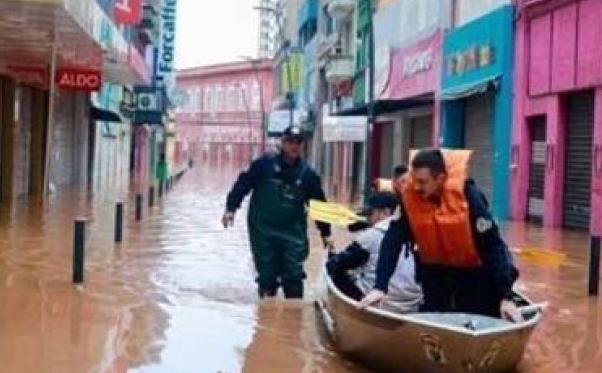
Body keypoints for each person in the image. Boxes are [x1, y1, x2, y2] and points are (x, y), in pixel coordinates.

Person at [359, 149, 523, 321]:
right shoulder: (410, 199)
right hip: (435, 274)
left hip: (475, 273)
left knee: (478, 314)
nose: (417, 187)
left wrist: (506, 296)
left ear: (440, 178)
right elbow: (392, 242)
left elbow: (493, 247)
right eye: (414, 180)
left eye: (422, 182)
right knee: (436, 315)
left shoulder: (469, 198)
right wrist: (380, 287)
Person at [223, 126, 332, 299]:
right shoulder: (263, 164)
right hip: (263, 229)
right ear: (283, 143)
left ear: (303, 145)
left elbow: (318, 205)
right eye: (290, 141)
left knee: (294, 275)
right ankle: (267, 308)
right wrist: (231, 208)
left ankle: (293, 311)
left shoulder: (308, 175)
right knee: (267, 276)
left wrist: (326, 233)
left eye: (298, 142)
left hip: (293, 232)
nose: (294, 146)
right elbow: (243, 184)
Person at [325, 192, 422, 313]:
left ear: (385, 212)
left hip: (379, 301)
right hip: (414, 303)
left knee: (334, 269)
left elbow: (336, 264)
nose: (369, 218)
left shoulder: (372, 236)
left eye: (371, 213)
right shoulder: (417, 232)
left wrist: (332, 254)